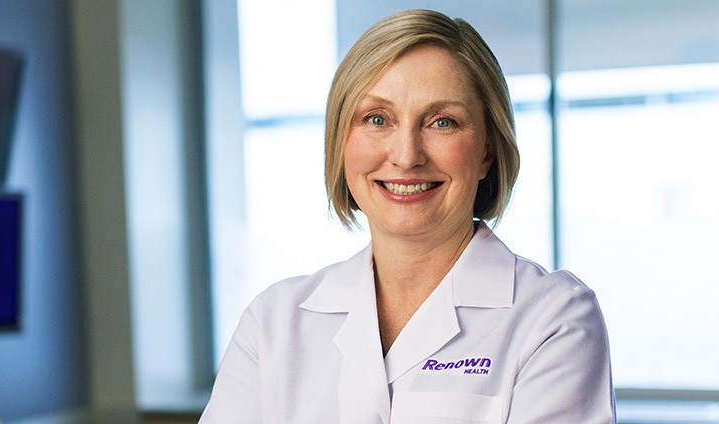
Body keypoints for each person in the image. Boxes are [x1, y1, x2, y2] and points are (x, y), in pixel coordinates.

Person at [200, 9, 615, 424]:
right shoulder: (273, 321)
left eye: (442, 122)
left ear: (488, 151)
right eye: (377, 119)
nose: (405, 156)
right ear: (340, 140)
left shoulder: (553, 320)